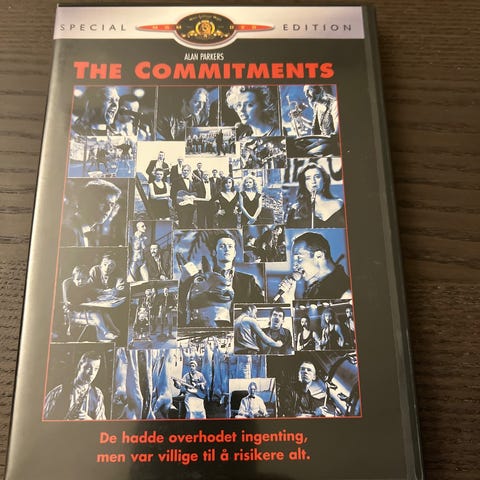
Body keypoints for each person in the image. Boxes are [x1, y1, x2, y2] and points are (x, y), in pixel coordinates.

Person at [277, 232, 351, 302]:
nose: (294, 266)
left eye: (299, 258)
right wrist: (289, 299)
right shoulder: (311, 291)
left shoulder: (346, 294)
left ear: (319, 255)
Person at [44, 351, 106, 420]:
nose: (92, 373)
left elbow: (102, 423)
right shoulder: (58, 392)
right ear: (80, 366)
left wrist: (89, 420)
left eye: (96, 369)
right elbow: (44, 420)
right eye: (88, 368)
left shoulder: (98, 394)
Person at [62, 265, 118, 341]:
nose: (80, 281)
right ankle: (106, 333)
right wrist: (85, 300)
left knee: (104, 312)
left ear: (87, 279)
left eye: (83, 279)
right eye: (78, 279)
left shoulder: (86, 286)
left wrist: (101, 297)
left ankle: (113, 328)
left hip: (86, 310)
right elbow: (70, 300)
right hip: (74, 312)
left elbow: (92, 294)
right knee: (96, 315)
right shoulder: (71, 288)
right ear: (73, 280)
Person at [61, 179, 122, 247]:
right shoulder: (69, 231)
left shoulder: (85, 231)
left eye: (112, 204)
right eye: (103, 202)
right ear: (87, 202)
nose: (108, 209)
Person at [211, 233, 264, 304]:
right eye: (222, 246)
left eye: (230, 246)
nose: (227, 249)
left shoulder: (248, 281)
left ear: (234, 253)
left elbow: (261, 304)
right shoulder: (203, 280)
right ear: (214, 252)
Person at [286, 163, 344, 228]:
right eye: (308, 178)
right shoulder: (296, 210)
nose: (313, 181)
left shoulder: (339, 204)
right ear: (304, 183)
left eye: (317, 177)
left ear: (324, 180)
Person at [170, 163, 202, 228]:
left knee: (189, 223)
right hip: (181, 205)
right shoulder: (176, 181)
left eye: (187, 170)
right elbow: (172, 194)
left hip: (190, 206)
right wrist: (176, 204)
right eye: (184, 170)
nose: (186, 172)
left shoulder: (191, 182)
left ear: (189, 172)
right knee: (183, 223)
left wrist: (193, 196)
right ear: (182, 171)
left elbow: (194, 192)